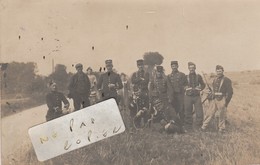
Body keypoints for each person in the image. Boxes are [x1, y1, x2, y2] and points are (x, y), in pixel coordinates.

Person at [201, 65, 233, 133]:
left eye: (220, 71)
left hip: (222, 99)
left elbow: (230, 92)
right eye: (217, 71)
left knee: (222, 114)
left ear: (223, 71)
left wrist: (226, 102)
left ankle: (221, 129)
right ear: (216, 71)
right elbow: (213, 90)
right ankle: (204, 127)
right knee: (209, 113)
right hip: (214, 99)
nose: (218, 72)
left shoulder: (227, 80)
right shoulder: (214, 79)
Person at [184, 62, 206, 131]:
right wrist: (185, 88)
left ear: (195, 68)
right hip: (188, 96)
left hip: (196, 96)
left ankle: (198, 127)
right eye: (190, 68)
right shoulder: (186, 77)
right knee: (188, 111)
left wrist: (200, 88)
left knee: (199, 112)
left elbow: (203, 85)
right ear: (188, 68)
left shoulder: (198, 76)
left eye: (193, 68)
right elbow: (182, 85)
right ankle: (188, 127)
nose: (191, 69)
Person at [167, 61, 188, 127]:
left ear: (177, 66)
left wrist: (184, 88)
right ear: (171, 67)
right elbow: (168, 86)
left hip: (180, 95)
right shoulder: (169, 76)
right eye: (173, 66)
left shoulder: (182, 75)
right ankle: (174, 124)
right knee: (173, 110)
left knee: (181, 109)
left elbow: (186, 84)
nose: (174, 67)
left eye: (175, 66)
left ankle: (182, 124)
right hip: (172, 95)